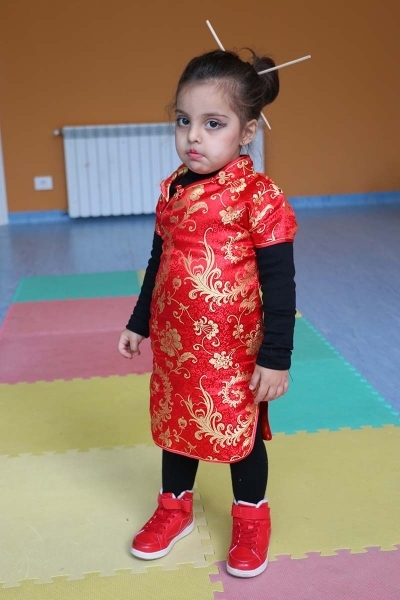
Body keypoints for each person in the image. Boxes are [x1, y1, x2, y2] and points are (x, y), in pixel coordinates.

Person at [118, 48, 298, 578]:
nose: (193, 136)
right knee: (178, 423)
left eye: (212, 124)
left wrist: (276, 357)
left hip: (234, 352)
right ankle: (174, 507)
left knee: (240, 432)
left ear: (247, 131)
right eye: (184, 120)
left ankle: (251, 516)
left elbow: (280, 285)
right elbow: (159, 262)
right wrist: (138, 321)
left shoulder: (259, 197)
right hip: (178, 345)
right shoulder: (173, 188)